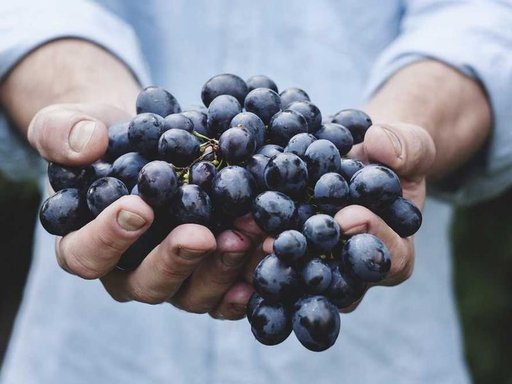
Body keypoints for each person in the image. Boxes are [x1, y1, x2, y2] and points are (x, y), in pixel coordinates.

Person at [0, 0, 511, 383]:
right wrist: (82, 107)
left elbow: (480, 20)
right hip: (95, 358)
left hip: (381, 359)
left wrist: (407, 130)